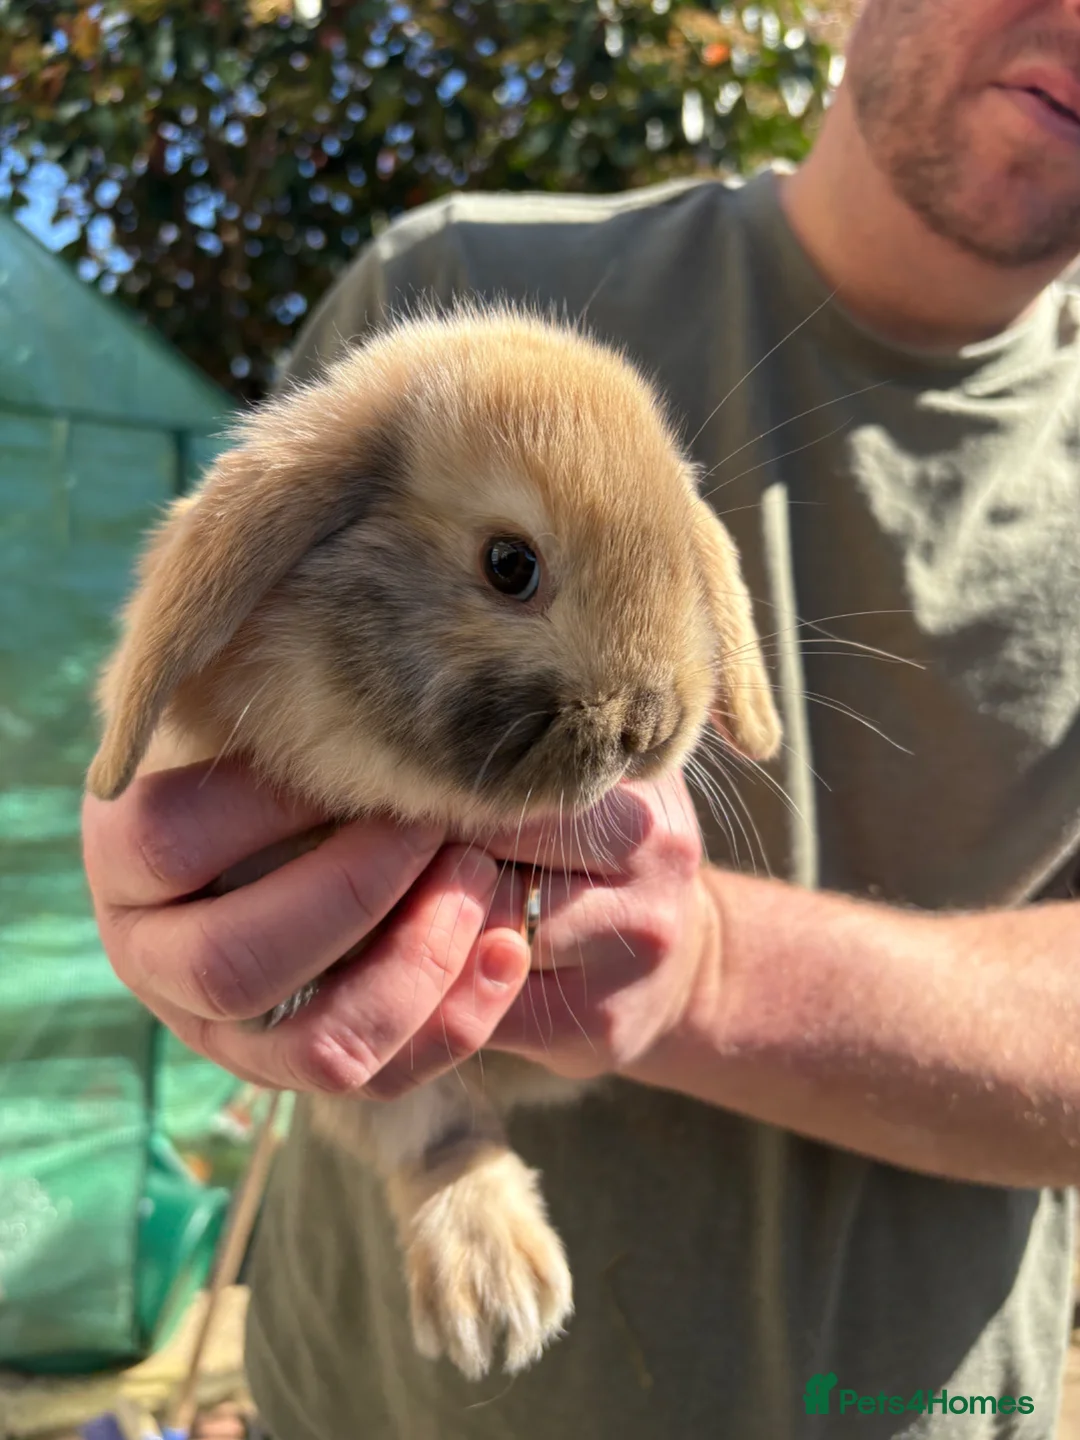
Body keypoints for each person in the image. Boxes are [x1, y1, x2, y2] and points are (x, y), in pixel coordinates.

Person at [81, 1, 1080, 1435]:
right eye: (511, 569)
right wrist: (168, 874)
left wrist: (711, 970)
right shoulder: (449, 290)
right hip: (383, 1399)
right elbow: (172, 721)